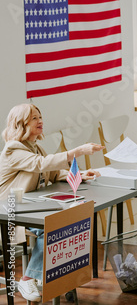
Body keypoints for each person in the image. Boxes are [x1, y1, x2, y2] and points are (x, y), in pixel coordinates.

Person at [0, 103, 103, 301]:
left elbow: (53, 172)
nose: (40, 121)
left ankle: (59, 279)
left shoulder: (35, 146)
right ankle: (29, 278)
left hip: (31, 204)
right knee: (54, 227)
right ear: (20, 124)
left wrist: (80, 174)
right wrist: (79, 150)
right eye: (34, 118)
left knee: (71, 219)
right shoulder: (13, 150)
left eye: (40, 117)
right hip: (11, 209)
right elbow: (41, 164)